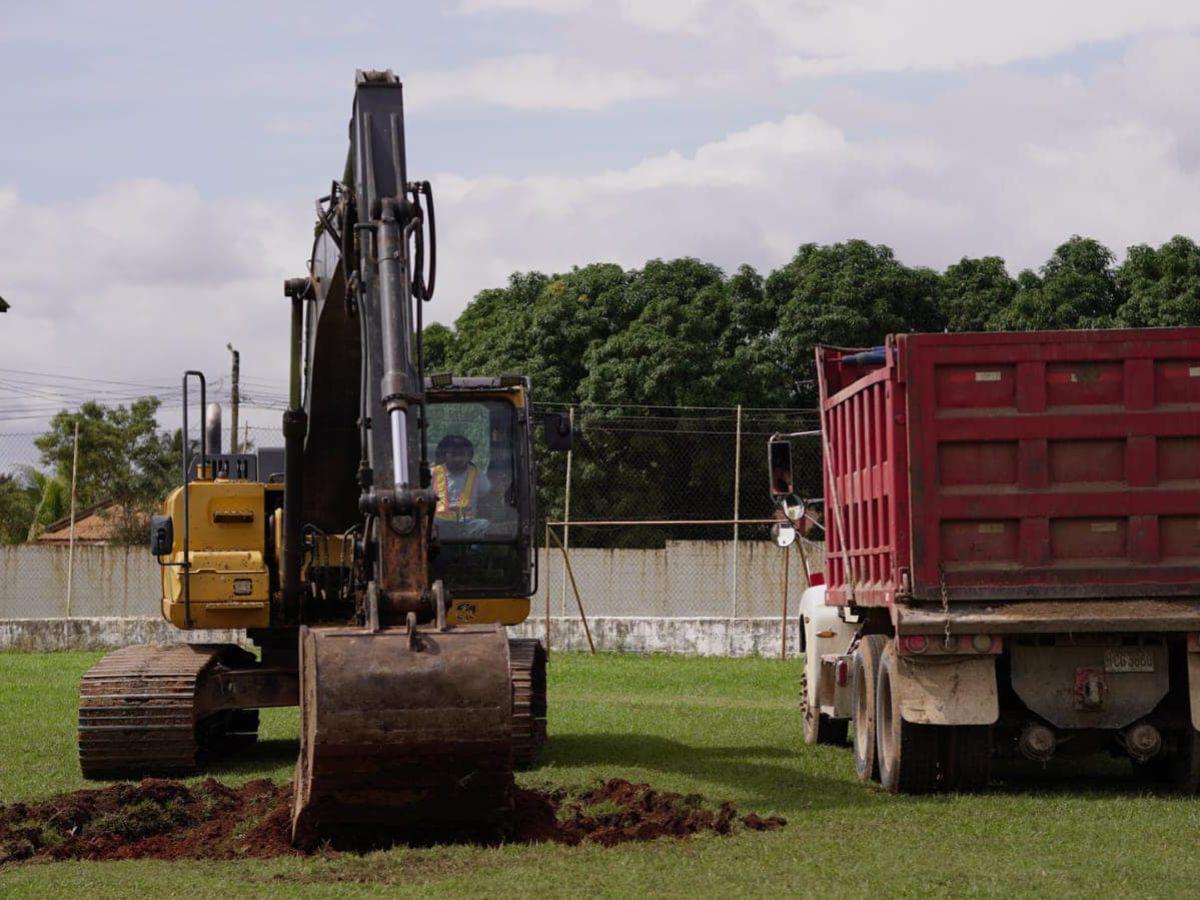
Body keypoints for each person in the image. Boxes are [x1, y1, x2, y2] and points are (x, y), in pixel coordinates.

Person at [431, 434, 491, 530]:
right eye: (454, 454)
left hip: (467, 523)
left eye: (462, 454)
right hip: (440, 523)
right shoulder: (432, 473)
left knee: (484, 524)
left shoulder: (478, 475)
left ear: (469, 456)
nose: (457, 458)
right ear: (445, 455)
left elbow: (487, 498)